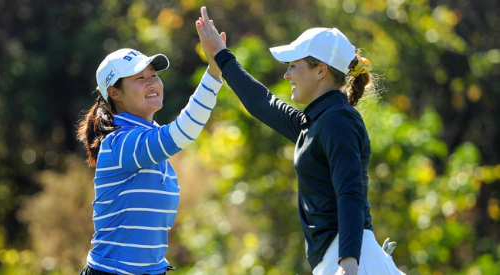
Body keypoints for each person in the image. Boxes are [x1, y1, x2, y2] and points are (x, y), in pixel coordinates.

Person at [195, 6, 404, 275]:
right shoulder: (317, 121)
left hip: (349, 259)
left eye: (294, 66)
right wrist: (222, 57)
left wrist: (349, 261)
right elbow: (262, 102)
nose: (287, 75)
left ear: (321, 71)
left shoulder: (337, 121)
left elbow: (350, 192)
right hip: (343, 257)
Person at [76, 43, 224, 275]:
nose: (152, 82)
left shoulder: (147, 139)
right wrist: (213, 73)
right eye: (140, 78)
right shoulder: (120, 142)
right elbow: (182, 131)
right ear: (115, 93)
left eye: (153, 75)